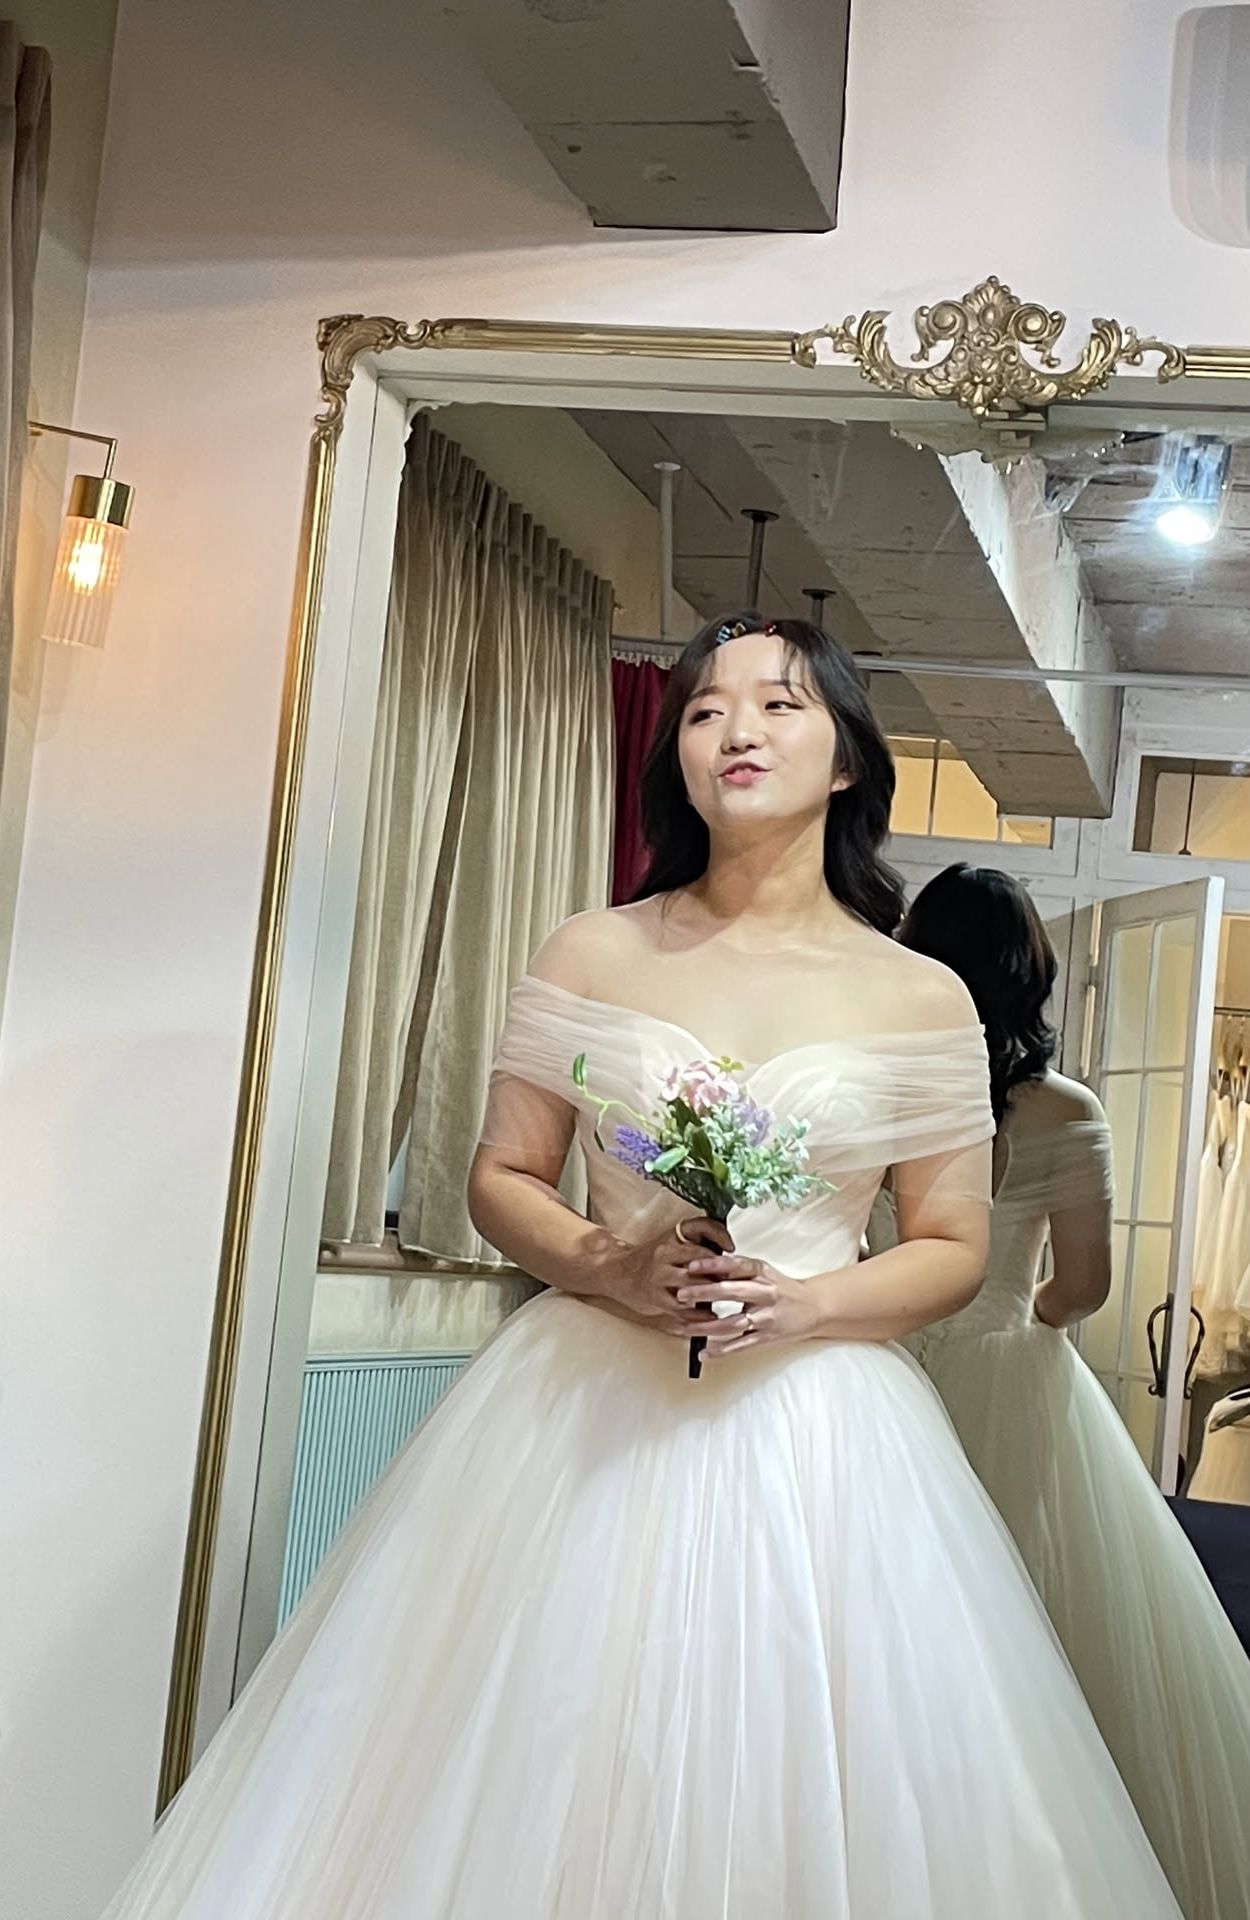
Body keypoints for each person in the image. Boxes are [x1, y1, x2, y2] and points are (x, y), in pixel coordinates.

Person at [101, 618, 1180, 1919]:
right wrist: (608, 1264)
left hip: (819, 1431)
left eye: (780, 705)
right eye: (705, 710)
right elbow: (502, 1176)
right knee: (532, 1747)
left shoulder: (919, 997)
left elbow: (954, 1248)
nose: (737, 731)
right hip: (579, 1409)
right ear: (676, 755)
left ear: (847, 759)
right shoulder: (590, 952)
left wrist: (809, 1301)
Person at [896, 862, 1250, 1920]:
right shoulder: (1067, 1110)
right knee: (1038, 1628)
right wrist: (1023, 1314)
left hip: (883, 1371)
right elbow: (1085, 1285)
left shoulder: (887, 1089)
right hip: (1011, 1371)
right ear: (1032, 974)